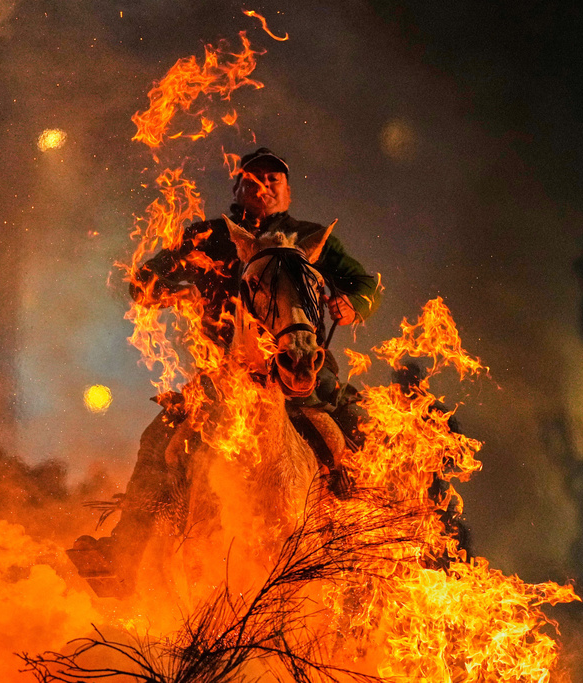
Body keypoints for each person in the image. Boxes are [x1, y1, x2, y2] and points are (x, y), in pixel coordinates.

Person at [69, 149, 382, 596]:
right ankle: (124, 553)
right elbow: (145, 281)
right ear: (236, 187)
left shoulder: (311, 237)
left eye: (274, 178)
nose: (264, 185)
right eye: (253, 178)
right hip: (221, 371)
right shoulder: (208, 236)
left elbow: (362, 282)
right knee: (158, 440)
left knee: (355, 427)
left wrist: (354, 303)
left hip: (297, 366)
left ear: (288, 189)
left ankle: (364, 556)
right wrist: (165, 291)